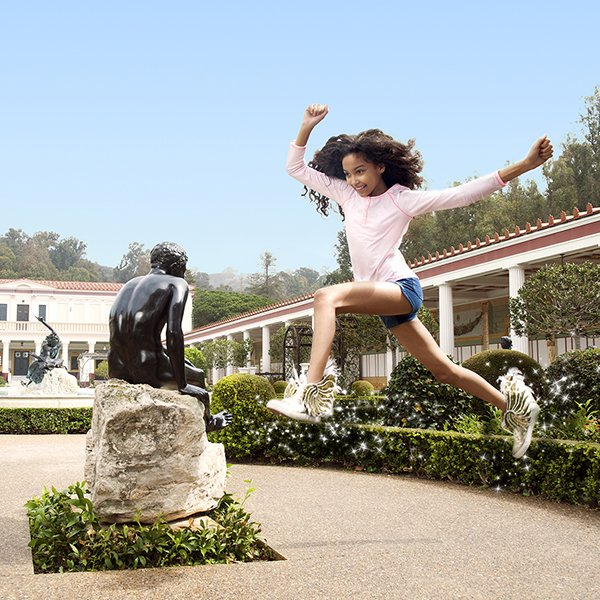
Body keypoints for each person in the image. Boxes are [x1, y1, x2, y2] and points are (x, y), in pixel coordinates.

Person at [267, 104, 553, 459]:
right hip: (384, 301)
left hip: (401, 288)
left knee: (326, 296)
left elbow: (462, 194)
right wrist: (305, 127)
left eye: (361, 171)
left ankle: (310, 394)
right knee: (446, 371)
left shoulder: (401, 200)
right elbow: (294, 167)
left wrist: (523, 166)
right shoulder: (345, 195)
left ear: (380, 166)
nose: (355, 180)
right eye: (349, 173)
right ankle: (515, 411)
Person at [108, 241, 232, 432]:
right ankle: (209, 422)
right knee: (197, 376)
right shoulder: (177, 284)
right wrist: (183, 385)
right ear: (176, 266)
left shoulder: (128, 285)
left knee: (187, 363)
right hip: (148, 370)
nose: (184, 272)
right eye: (184, 267)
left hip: (117, 368)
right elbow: (173, 333)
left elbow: (128, 332)